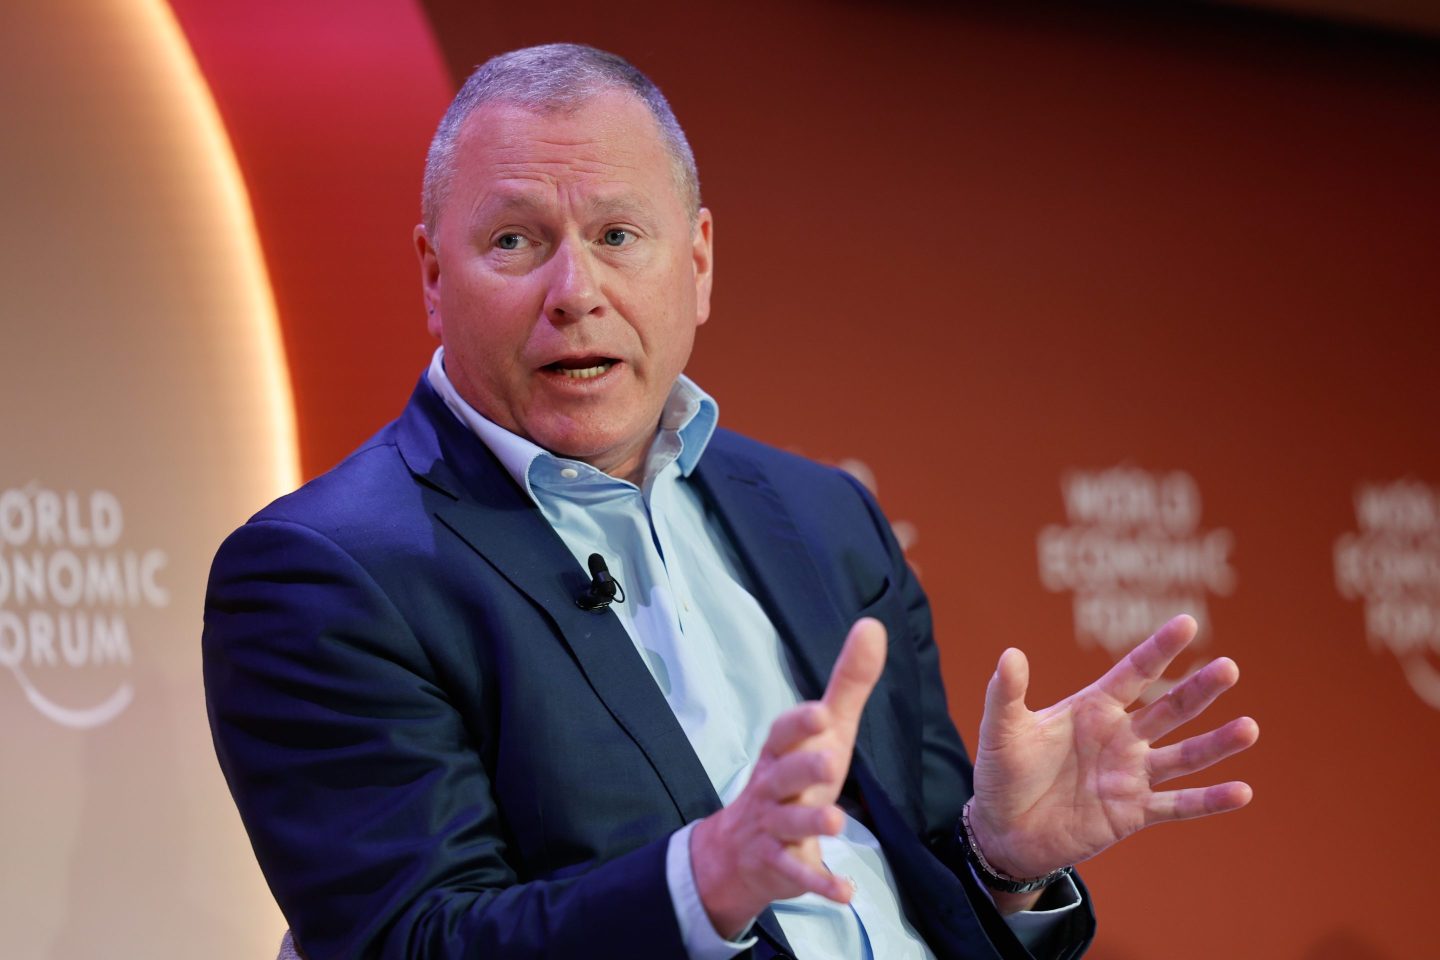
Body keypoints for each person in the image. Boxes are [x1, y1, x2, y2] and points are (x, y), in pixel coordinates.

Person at [203, 43, 1259, 960]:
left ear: (697, 265)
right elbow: (415, 943)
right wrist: (702, 881)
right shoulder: (323, 575)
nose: (575, 290)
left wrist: (1000, 859)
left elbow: (928, 899)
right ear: (434, 275)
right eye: (516, 242)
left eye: (620, 236)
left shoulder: (825, 520)